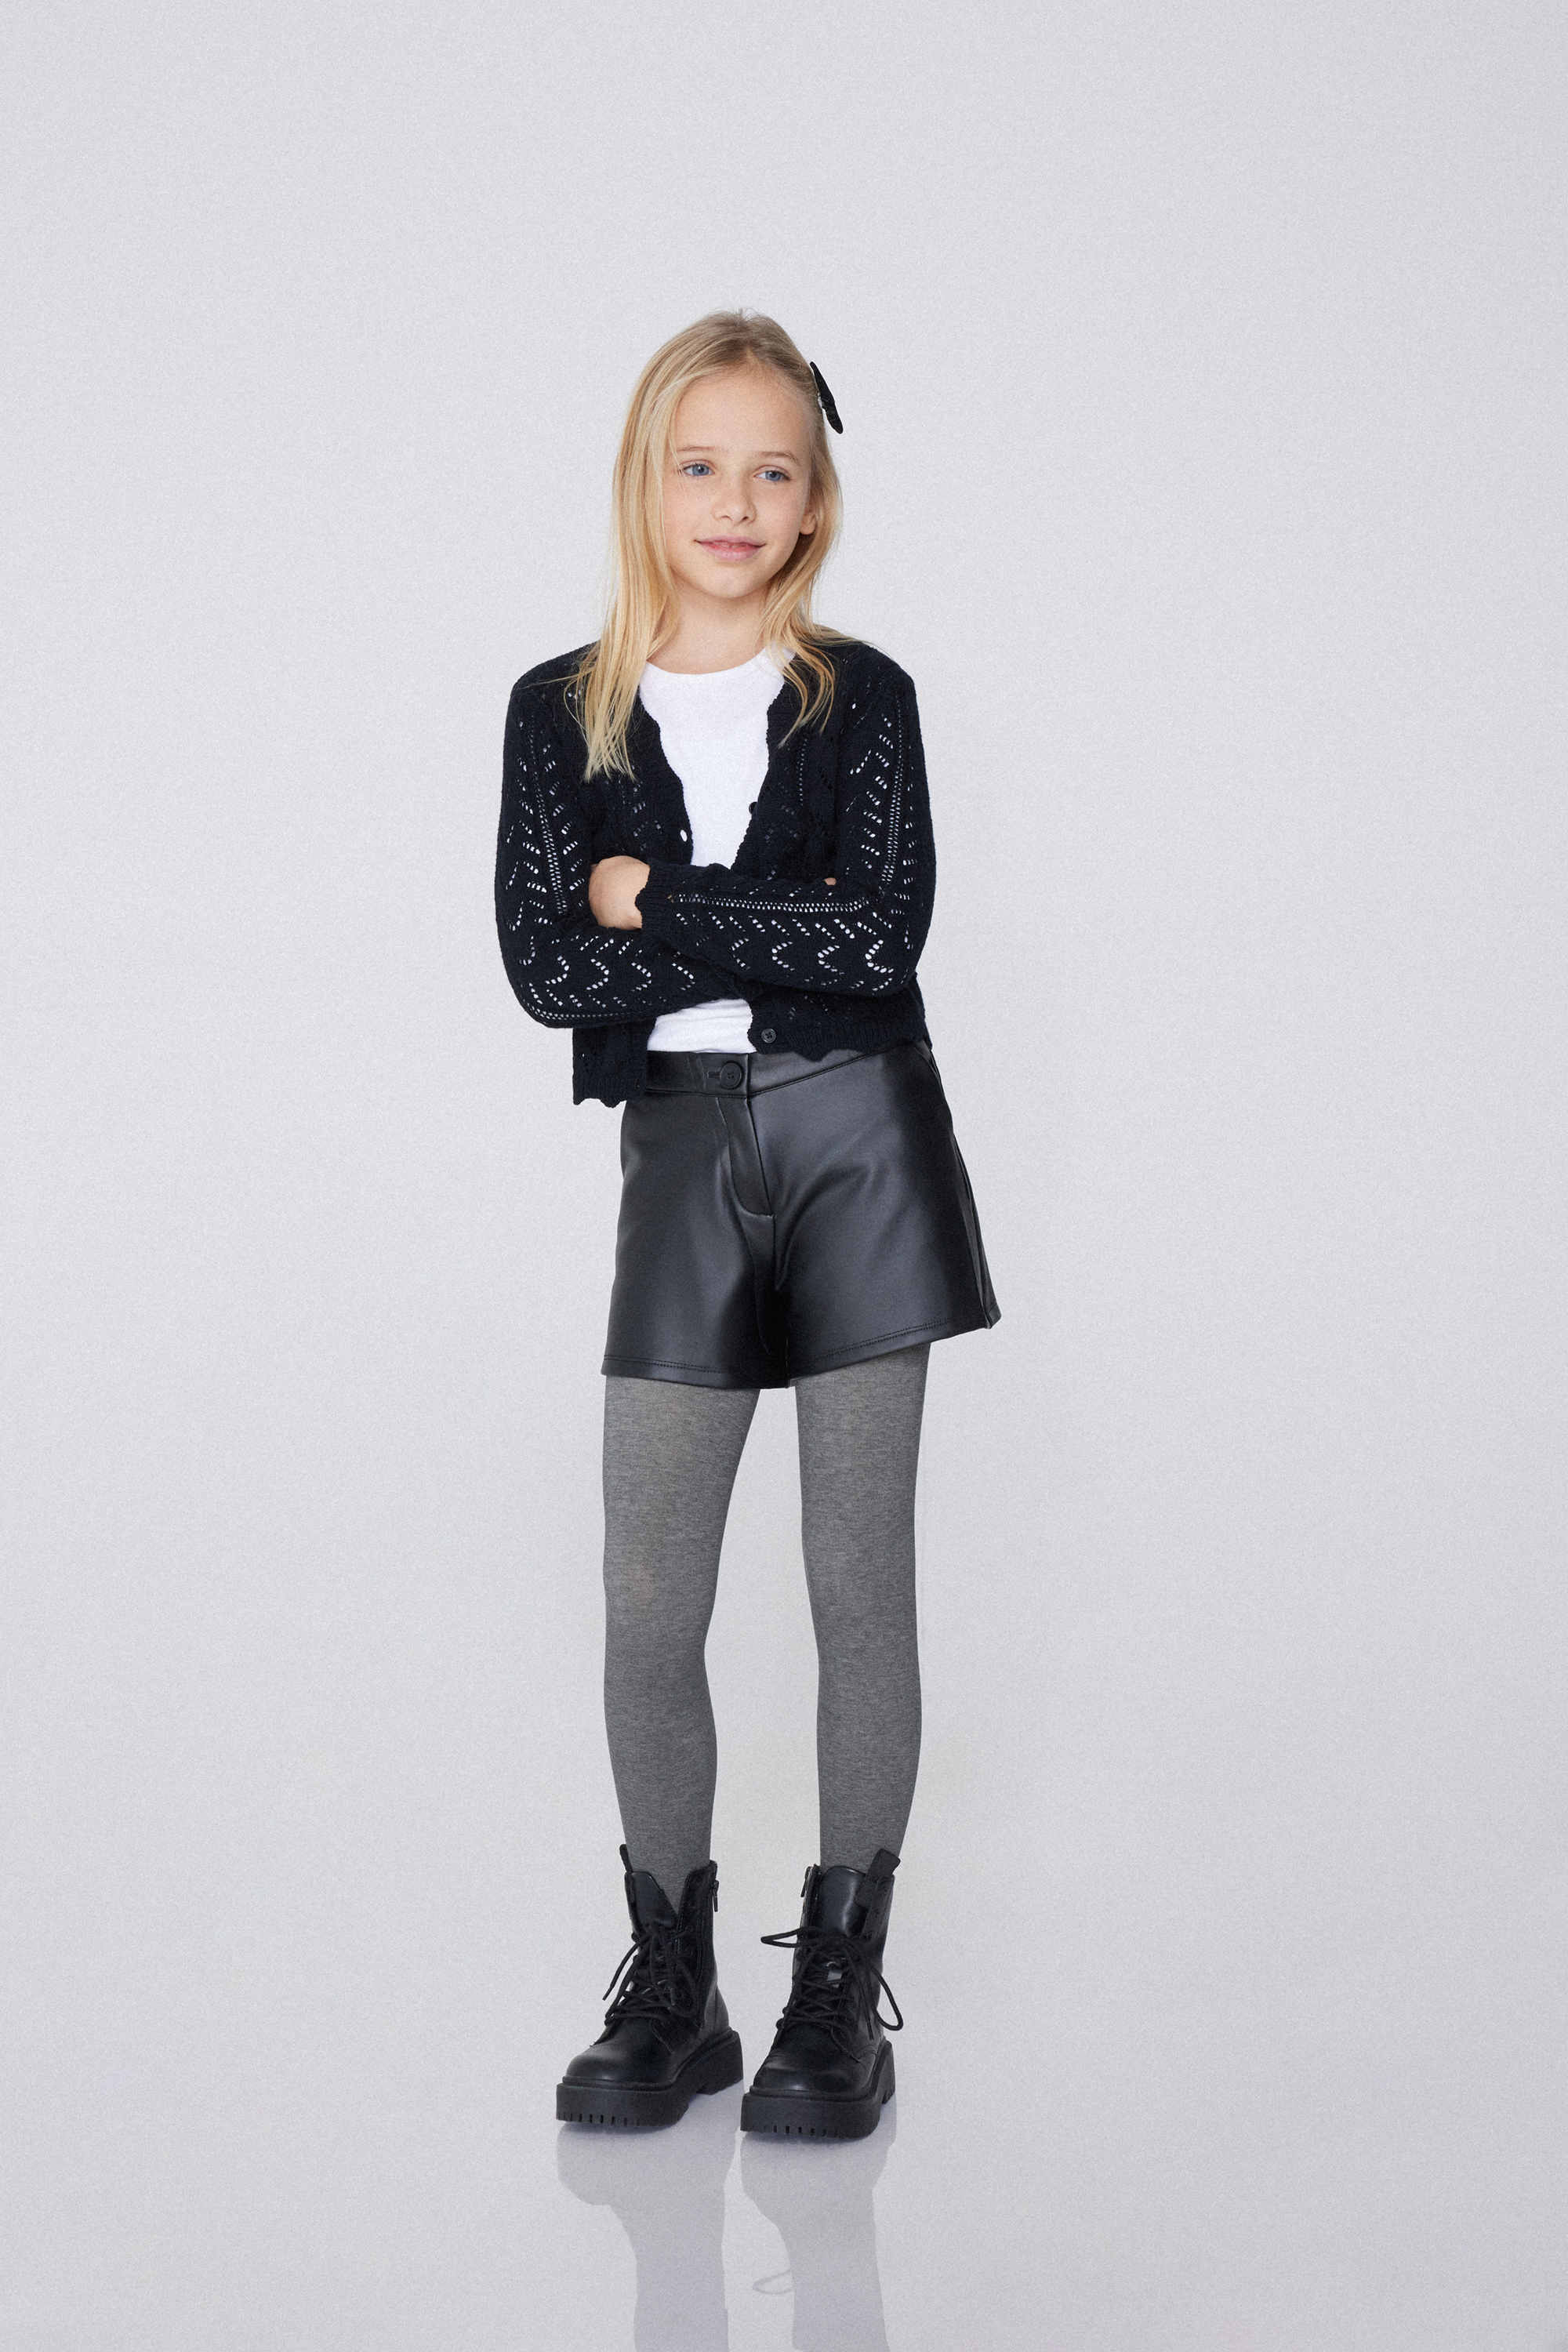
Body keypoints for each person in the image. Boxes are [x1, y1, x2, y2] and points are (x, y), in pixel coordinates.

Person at [495, 311, 998, 2142]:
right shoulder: (559, 708)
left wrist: (651, 896)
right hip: (687, 1151)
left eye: (773, 468)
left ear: (815, 498)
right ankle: (676, 1984)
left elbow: (877, 942)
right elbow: (549, 971)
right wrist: (718, 919)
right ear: (647, 481)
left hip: (863, 1142)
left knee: (858, 1583)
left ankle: (835, 1991)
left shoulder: (864, 697)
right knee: (650, 1598)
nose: (735, 500)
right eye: (700, 464)